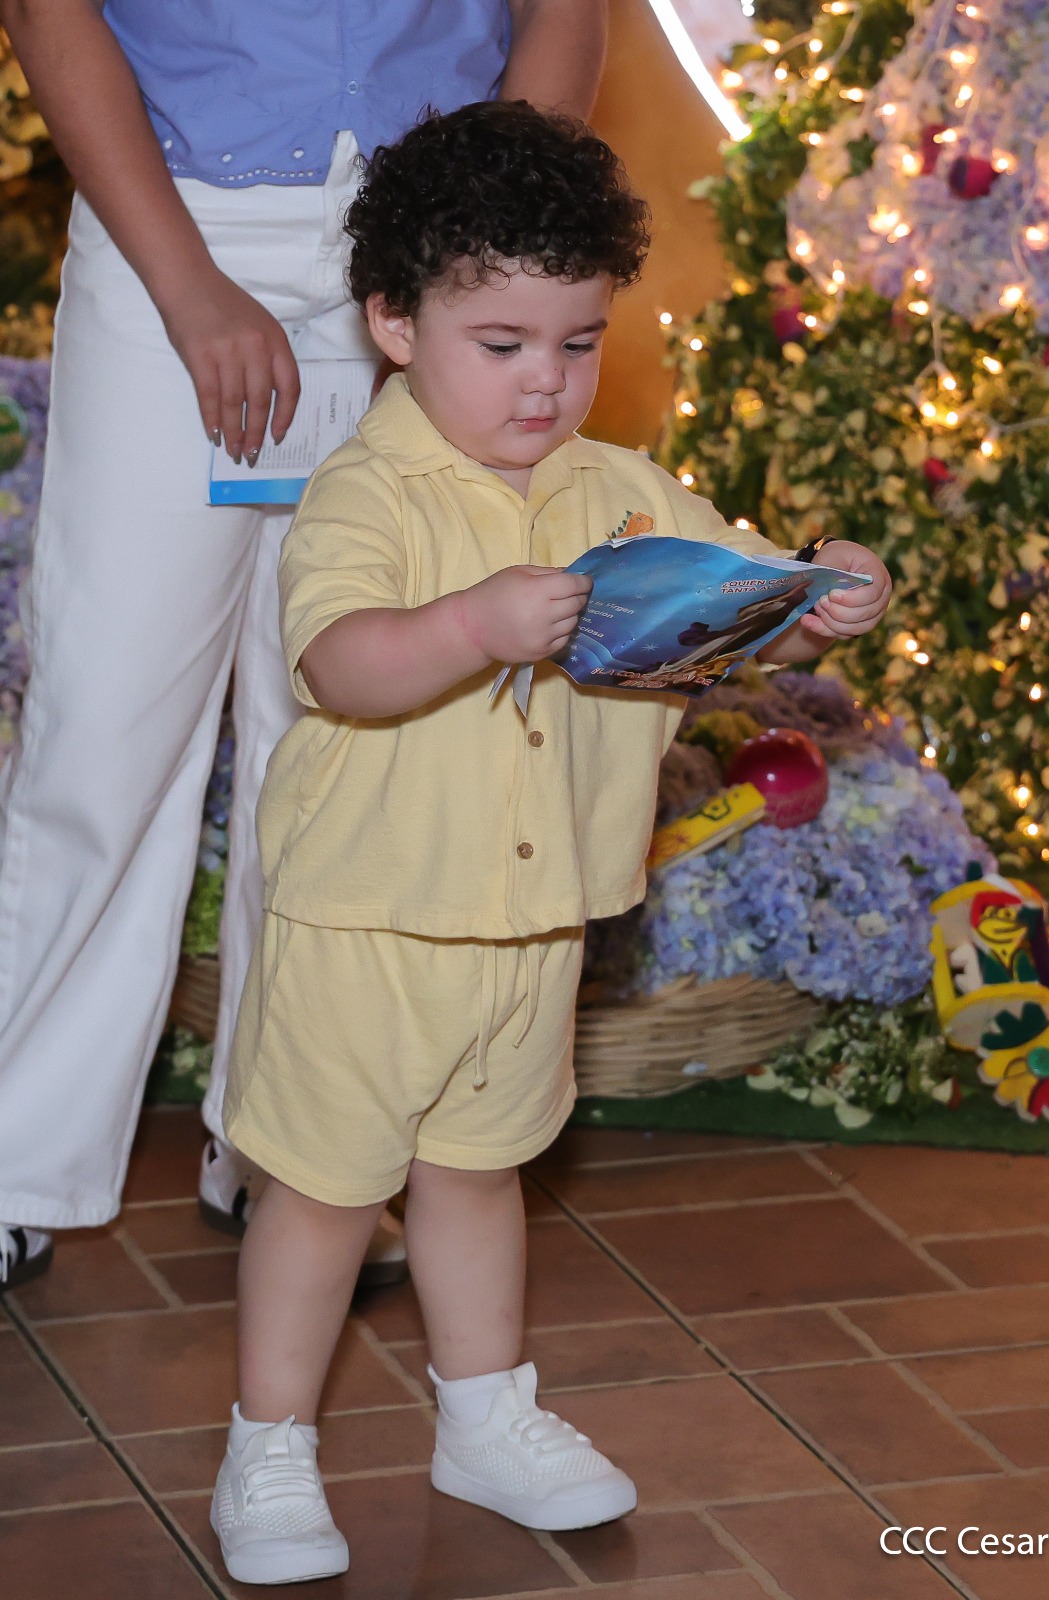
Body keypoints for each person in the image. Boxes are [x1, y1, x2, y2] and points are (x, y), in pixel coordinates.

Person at [208, 100, 892, 1585]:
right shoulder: (366, 490)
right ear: (396, 324)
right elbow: (341, 665)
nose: (546, 381)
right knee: (325, 1192)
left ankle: (485, 1418)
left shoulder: (619, 490)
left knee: (478, 1171)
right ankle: (270, 1442)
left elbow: (741, 610)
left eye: (577, 343)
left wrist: (825, 595)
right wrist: (470, 624)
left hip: (530, 927)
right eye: (502, 343)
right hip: (369, 917)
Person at [0, 0, 606, 1292]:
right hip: (176, 217)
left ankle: (291, 1148)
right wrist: (188, 288)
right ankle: (14, 1158)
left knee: (347, 737)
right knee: (107, 725)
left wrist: (474, 284)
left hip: (429, 241)